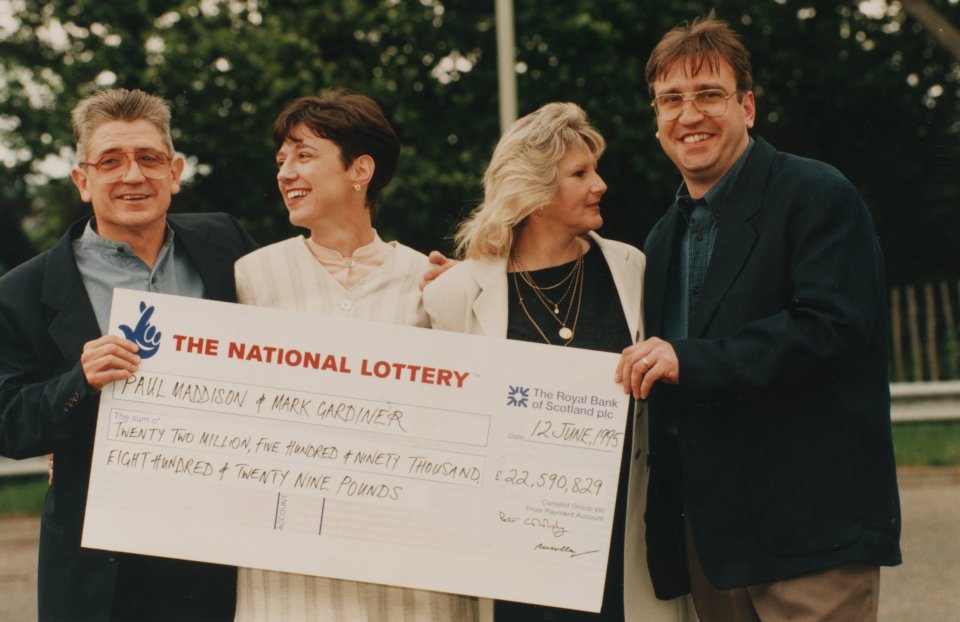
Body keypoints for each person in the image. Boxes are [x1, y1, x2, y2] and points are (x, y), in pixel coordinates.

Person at [615, 16, 901, 621]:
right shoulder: (663, 238)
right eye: (671, 100)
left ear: (747, 107)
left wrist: (688, 360)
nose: (689, 115)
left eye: (709, 95)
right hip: (711, 548)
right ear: (657, 120)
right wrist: (474, 278)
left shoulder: (817, 195)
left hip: (810, 540)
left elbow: (830, 329)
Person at [423, 102, 693, 622]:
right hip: (511, 554)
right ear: (534, 192)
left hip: (620, 541)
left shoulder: (631, 267)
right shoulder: (458, 291)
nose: (601, 184)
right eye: (580, 173)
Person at [0, 88, 258, 621]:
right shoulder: (22, 291)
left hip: (223, 550)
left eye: (148, 158)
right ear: (82, 180)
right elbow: (9, 423)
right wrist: (79, 381)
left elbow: (305, 319)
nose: (132, 176)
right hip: (104, 572)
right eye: (111, 161)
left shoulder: (225, 243)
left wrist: (440, 289)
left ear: (175, 171)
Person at [232, 89, 482, 621]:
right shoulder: (251, 277)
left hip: (409, 577)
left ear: (360, 169)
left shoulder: (431, 282)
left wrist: (472, 297)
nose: (285, 173)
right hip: (293, 578)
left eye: (304, 155)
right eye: (281, 161)